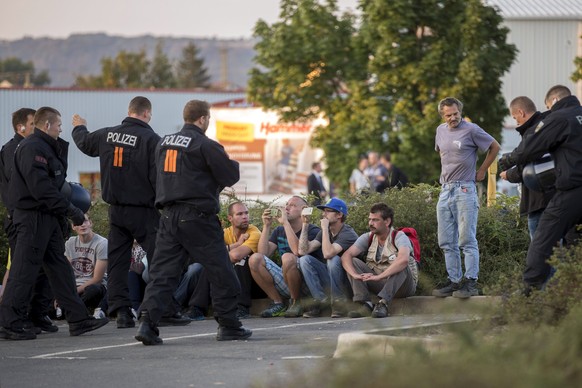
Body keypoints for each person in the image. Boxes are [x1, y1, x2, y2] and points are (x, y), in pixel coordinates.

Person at [135, 99, 251, 345]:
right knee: (222, 271)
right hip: (197, 217)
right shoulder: (204, 144)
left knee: (162, 274)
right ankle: (229, 325)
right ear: (203, 119)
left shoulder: (163, 143)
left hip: (167, 216)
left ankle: (147, 323)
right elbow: (230, 175)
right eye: (208, 119)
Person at [0, 107, 108, 340]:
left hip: (46, 218)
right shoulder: (32, 148)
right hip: (33, 217)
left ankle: (78, 319)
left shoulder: (44, 147)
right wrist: (73, 211)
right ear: (47, 125)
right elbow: (42, 189)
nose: (61, 129)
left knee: (60, 269)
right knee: (23, 271)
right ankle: (9, 323)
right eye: (59, 125)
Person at [72, 96, 167, 329]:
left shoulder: (107, 134)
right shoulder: (151, 140)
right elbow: (159, 178)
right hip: (144, 211)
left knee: (117, 263)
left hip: (117, 210)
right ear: (147, 114)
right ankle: (160, 309)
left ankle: (122, 312)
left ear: (129, 111)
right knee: (161, 259)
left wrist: (79, 126)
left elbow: (84, 142)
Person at [498, 85, 582, 291]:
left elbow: (530, 150)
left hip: (572, 189)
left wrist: (507, 161)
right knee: (575, 243)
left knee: (543, 239)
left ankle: (530, 291)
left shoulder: (558, 118)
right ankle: (571, 292)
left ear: (553, 101)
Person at [432, 97, 500, 299]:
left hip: (465, 189)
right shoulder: (440, 131)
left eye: (456, 113)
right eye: (448, 115)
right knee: (446, 240)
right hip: (445, 190)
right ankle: (454, 281)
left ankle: (471, 282)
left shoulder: (471, 129)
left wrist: (482, 170)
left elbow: (494, 146)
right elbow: (443, 154)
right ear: (443, 115)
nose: (453, 117)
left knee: (466, 238)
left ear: (460, 111)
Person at [0, 108, 57, 334]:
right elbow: (23, 187)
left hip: (37, 217)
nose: (37, 128)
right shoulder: (15, 149)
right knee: (21, 272)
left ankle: (35, 314)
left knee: (41, 270)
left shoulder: (31, 147)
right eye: (33, 124)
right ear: (20, 127)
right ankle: (13, 318)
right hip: (21, 218)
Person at [176, 201, 263, 320]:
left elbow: (235, 256)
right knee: (209, 264)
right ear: (230, 218)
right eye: (240, 214)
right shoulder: (226, 233)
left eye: (246, 213)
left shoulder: (254, 232)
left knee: (241, 260)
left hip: (252, 285)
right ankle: (197, 308)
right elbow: (207, 253)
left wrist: (219, 254)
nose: (244, 217)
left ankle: (242, 308)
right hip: (227, 281)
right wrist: (237, 244)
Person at [248, 196, 321, 318]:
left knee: (288, 257)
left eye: (292, 205)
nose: (286, 208)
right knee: (255, 259)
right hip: (287, 281)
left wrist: (285, 223)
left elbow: (297, 252)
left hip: (308, 286)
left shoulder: (313, 230)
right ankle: (278, 303)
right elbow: (263, 254)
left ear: (303, 210)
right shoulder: (279, 230)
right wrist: (266, 226)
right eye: (286, 204)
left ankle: (295, 302)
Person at [340, 203, 418, 318]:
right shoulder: (368, 237)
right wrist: (354, 275)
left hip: (403, 286)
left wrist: (379, 277)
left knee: (401, 264)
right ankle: (365, 304)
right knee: (353, 261)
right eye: (370, 219)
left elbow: (403, 260)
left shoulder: (399, 236)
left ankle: (383, 304)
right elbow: (346, 256)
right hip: (380, 282)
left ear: (387, 222)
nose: (371, 223)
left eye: (375, 220)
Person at [499, 96, 554, 239]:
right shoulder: (549, 125)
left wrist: (509, 174)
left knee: (539, 247)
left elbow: (528, 163)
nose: (516, 122)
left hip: (538, 198)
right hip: (555, 195)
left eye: (515, 117)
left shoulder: (532, 132)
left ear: (521, 112)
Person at [298, 198, 358, 318]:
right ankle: (321, 301)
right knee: (304, 260)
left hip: (349, 283)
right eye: (323, 211)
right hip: (332, 281)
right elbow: (303, 251)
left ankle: (338, 303)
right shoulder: (326, 232)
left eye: (327, 211)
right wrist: (305, 225)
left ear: (339, 215)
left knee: (333, 259)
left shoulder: (348, 233)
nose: (323, 214)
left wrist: (324, 228)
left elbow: (328, 254)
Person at [64, 214, 108, 315]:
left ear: (91, 223)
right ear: (73, 227)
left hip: (93, 287)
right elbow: (67, 273)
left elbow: (97, 279)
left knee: (93, 290)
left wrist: (74, 292)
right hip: (75, 287)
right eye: (78, 223)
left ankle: (71, 310)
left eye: (85, 221)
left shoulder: (102, 243)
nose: (82, 225)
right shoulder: (70, 243)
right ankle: (74, 309)